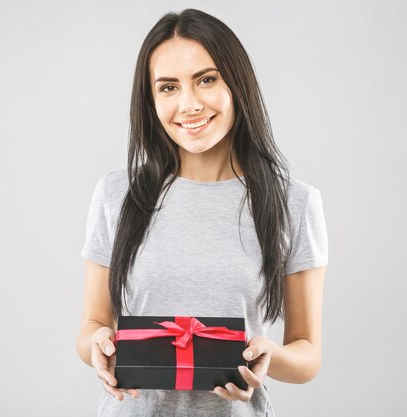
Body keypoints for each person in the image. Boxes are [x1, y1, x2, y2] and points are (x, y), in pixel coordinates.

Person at [75, 8, 328, 417]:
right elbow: (91, 327)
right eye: (168, 87)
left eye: (206, 80)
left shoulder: (294, 204)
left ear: (236, 84)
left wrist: (268, 356)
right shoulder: (116, 194)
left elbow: (308, 355)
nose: (189, 104)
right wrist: (97, 346)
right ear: (151, 99)